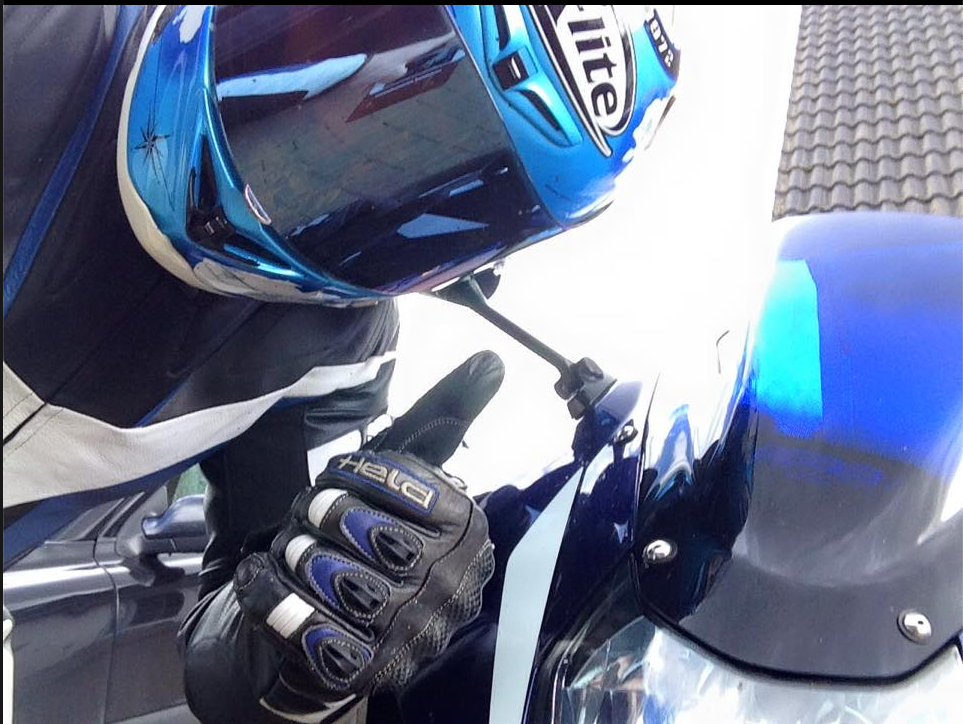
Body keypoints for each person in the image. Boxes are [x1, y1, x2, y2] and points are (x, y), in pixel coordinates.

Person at [3, 5, 679, 723]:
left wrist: (320, 632)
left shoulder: (339, 354)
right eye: (355, 40)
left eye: (429, 162)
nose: (339, 132)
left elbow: (230, 664)